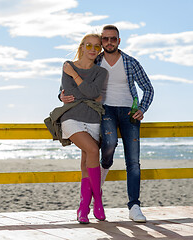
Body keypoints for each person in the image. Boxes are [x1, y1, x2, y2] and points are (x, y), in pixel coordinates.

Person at [60, 25, 154, 223]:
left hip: (128, 110)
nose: (108, 42)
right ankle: (102, 173)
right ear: (101, 41)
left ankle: (134, 205)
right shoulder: (96, 60)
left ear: (119, 41)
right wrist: (61, 95)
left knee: (133, 161)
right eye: (105, 39)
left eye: (113, 39)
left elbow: (148, 88)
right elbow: (70, 87)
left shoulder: (130, 62)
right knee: (108, 144)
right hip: (104, 110)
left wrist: (142, 109)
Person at [45, 33, 108, 224]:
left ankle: (83, 208)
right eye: (89, 45)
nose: (92, 49)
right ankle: (98, 202)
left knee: (86, 162)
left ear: (99, 51)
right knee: (92, 150)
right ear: (81, 46)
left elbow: (93, 93)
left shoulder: (101, 72)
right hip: (71, 117)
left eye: (97, 47)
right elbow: (72, 93)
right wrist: (85, 89)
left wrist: (76, 78)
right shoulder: (68, 66)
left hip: (93, 119)